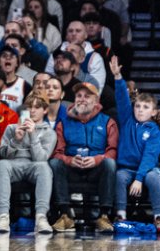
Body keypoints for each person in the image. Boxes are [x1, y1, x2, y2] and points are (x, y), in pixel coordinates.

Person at [49, 82, 118, 233]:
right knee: (55, 163)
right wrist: (69, 160)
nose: (82, 99)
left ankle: (104, 216)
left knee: (110, 164)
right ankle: (65, 215)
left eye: (87, 96)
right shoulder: (63, 123)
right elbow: (57, 152)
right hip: (72, 169)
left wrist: (96, 160)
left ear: (96, 101)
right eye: (79, 96)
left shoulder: (108, 122)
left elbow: (112, 151)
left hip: (96, 170)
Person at [0, 91, 56, 234]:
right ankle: (3, 216)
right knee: (2, 165)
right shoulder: (11, 128)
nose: (32, 110)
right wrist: (16, 140)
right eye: (29, 107)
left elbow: (40, 158)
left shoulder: (49, 132)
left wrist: (33, 135)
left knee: (45, 167)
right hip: (14, 164)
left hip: (34, 165)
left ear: (45, 110)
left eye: (37, 107)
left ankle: (41, 218)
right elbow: (2, 154)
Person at [110, 56, 160, 226]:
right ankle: (121, 215)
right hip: (126, 168)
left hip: (146, 170)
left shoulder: (154, 130)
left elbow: (150, 155)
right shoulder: (127, 120)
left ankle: (158, 216)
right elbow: (122, 98)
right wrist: (117, 76)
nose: (140, 110)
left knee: (155, 178)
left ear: (154, 112)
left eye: (145, 107)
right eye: (137, 106)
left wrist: (139, 178)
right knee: (119, 176)